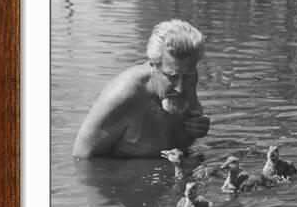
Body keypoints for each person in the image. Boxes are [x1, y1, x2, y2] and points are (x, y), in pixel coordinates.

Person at [72, 19, 210, 158]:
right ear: (153, 66)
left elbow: (190, 121)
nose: (181, 89)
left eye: (187, 76)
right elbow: (81, 160)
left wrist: (198, 127)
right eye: (171, 77)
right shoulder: (123, 94)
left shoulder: (187, 74)